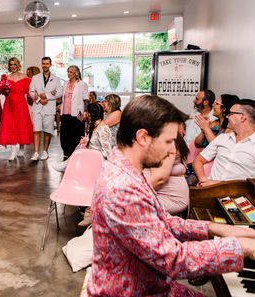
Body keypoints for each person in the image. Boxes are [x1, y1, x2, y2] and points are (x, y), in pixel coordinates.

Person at [88, 94, 255, 297]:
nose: (172, 150)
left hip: (145, 283)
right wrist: (242, 247)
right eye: (168, 141)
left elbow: (163, 220)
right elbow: (173, 259)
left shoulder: (126, 169)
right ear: (142, 137)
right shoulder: (122, 188)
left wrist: (217, 228)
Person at [193, 99, 255, 187]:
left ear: (242, 117)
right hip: (209, 190)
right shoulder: (222, 138)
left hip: (238, 196)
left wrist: (219, 184)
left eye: (230, 114)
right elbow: (198, 160)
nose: (227, 117)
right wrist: (203, 180)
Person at [143, 124, 190, 215]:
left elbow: (153, 178)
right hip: (169, 195)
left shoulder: (170, 147)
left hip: (172, 200)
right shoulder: (170, 137)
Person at [0, 57, 33, 161]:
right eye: (11, 64)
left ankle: (21, 149)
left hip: (21, 104)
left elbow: (29, 92)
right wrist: (4, 90)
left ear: (18, 65)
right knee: (10, 125)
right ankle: (13, 151)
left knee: (21, 125)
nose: (13, 66)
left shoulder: (25, 77)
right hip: (9, 104)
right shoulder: (6, 78)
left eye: (15, 64)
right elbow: (3, 93)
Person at [29, 57, 62, 161]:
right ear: (41, 64)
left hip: (49, 108)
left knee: (47, 131)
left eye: (47, 63)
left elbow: (59, 93)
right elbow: (31, 92)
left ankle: (45, 152)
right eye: (43, 63)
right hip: (37, 108)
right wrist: (39, 99)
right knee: (36, 130)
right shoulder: (35, 78)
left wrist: (46, 96)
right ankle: (35, 152)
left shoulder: (56, 79)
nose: (45, 65)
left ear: (50, 65)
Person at [60, 65, 89, 160]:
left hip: (77, 113)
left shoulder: (82, 84)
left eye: (71, 72)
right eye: (68, 72)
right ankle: (66, 152)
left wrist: (85, 111)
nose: (69, 74)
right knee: (64, 134)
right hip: (65, 112)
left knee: (76, 134)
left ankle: (76, 153)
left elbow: (86, 99)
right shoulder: (65, 83)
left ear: (76, 73)